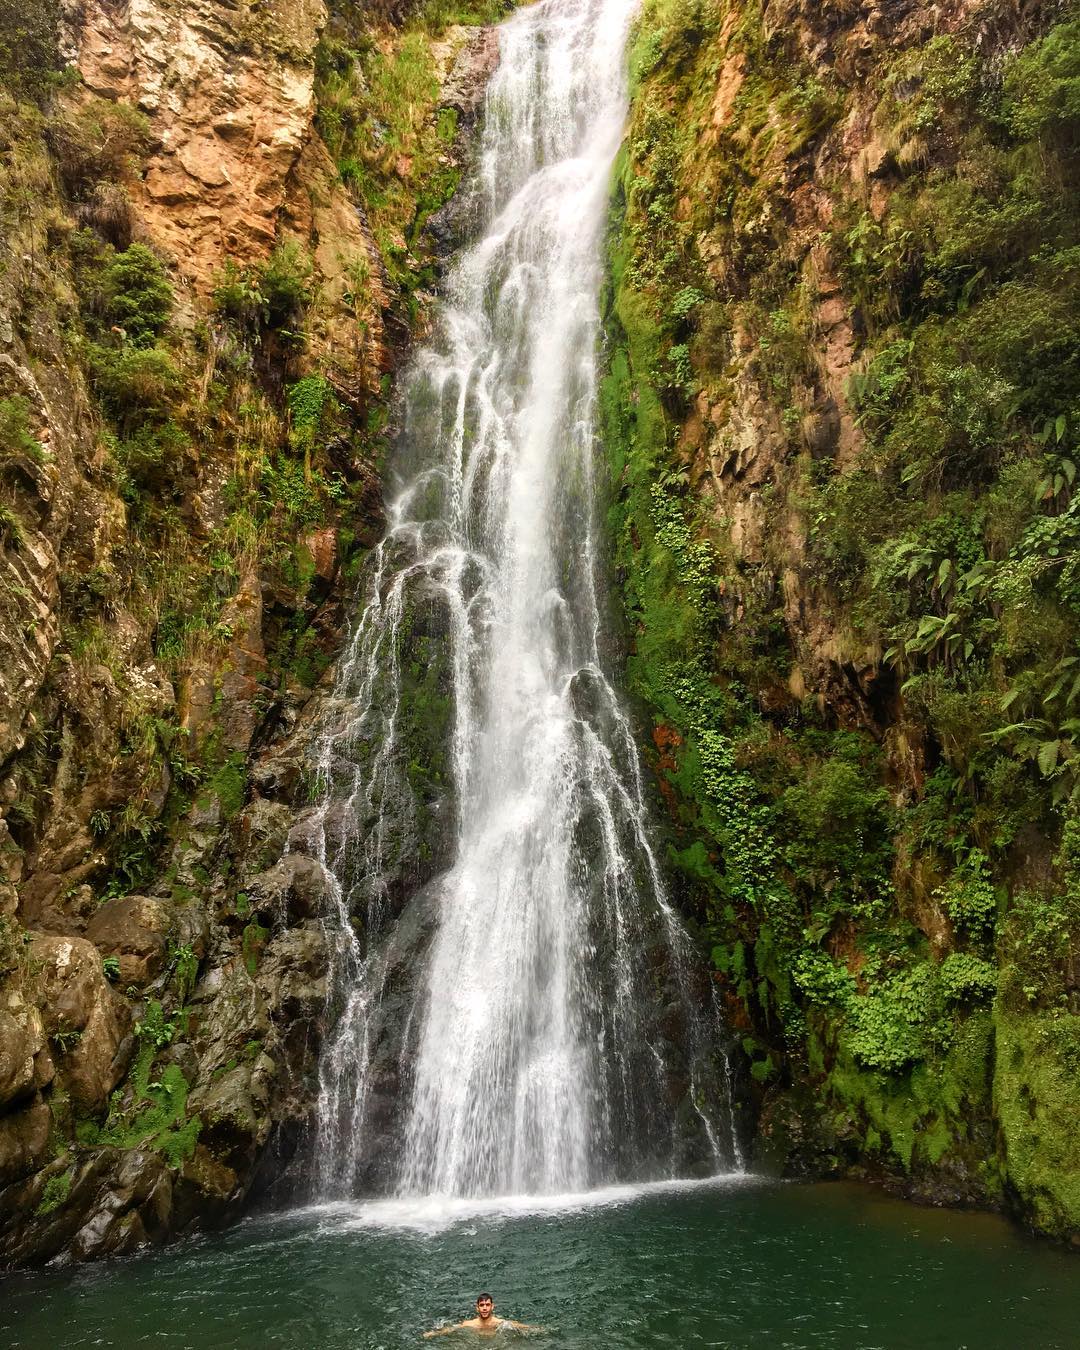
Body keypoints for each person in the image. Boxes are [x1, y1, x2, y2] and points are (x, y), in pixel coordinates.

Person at [422, 1293, 539, 1338]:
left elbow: (520, 1326)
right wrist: (433, 1333)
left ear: (492, 1306)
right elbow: (451, 1329)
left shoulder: (500, 1323)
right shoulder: (470, 1324)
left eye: (487, 1305)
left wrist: (538, 1330)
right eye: (482, 1305)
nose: (484, 1308)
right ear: (477, 1307)